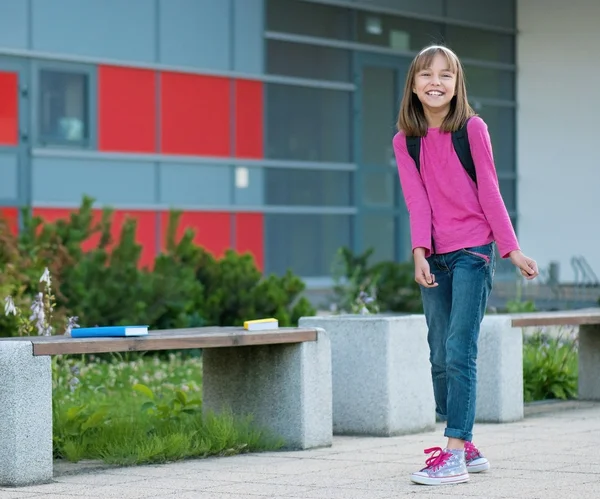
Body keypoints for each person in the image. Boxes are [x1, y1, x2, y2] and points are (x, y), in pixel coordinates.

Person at [392, 44, 539, 486]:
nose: (435, 82)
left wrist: (511, 249)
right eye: (426, 75)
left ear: (457, 85)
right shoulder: (406, 140)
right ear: (413, 85)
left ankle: (455, 450)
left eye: (445, 75)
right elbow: (416, 201)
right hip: (435, 256)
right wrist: (419, 251)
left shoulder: (471, 129)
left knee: (460, 349)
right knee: (439, 352)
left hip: (474, 251)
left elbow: (490, 190)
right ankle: (466, 440)